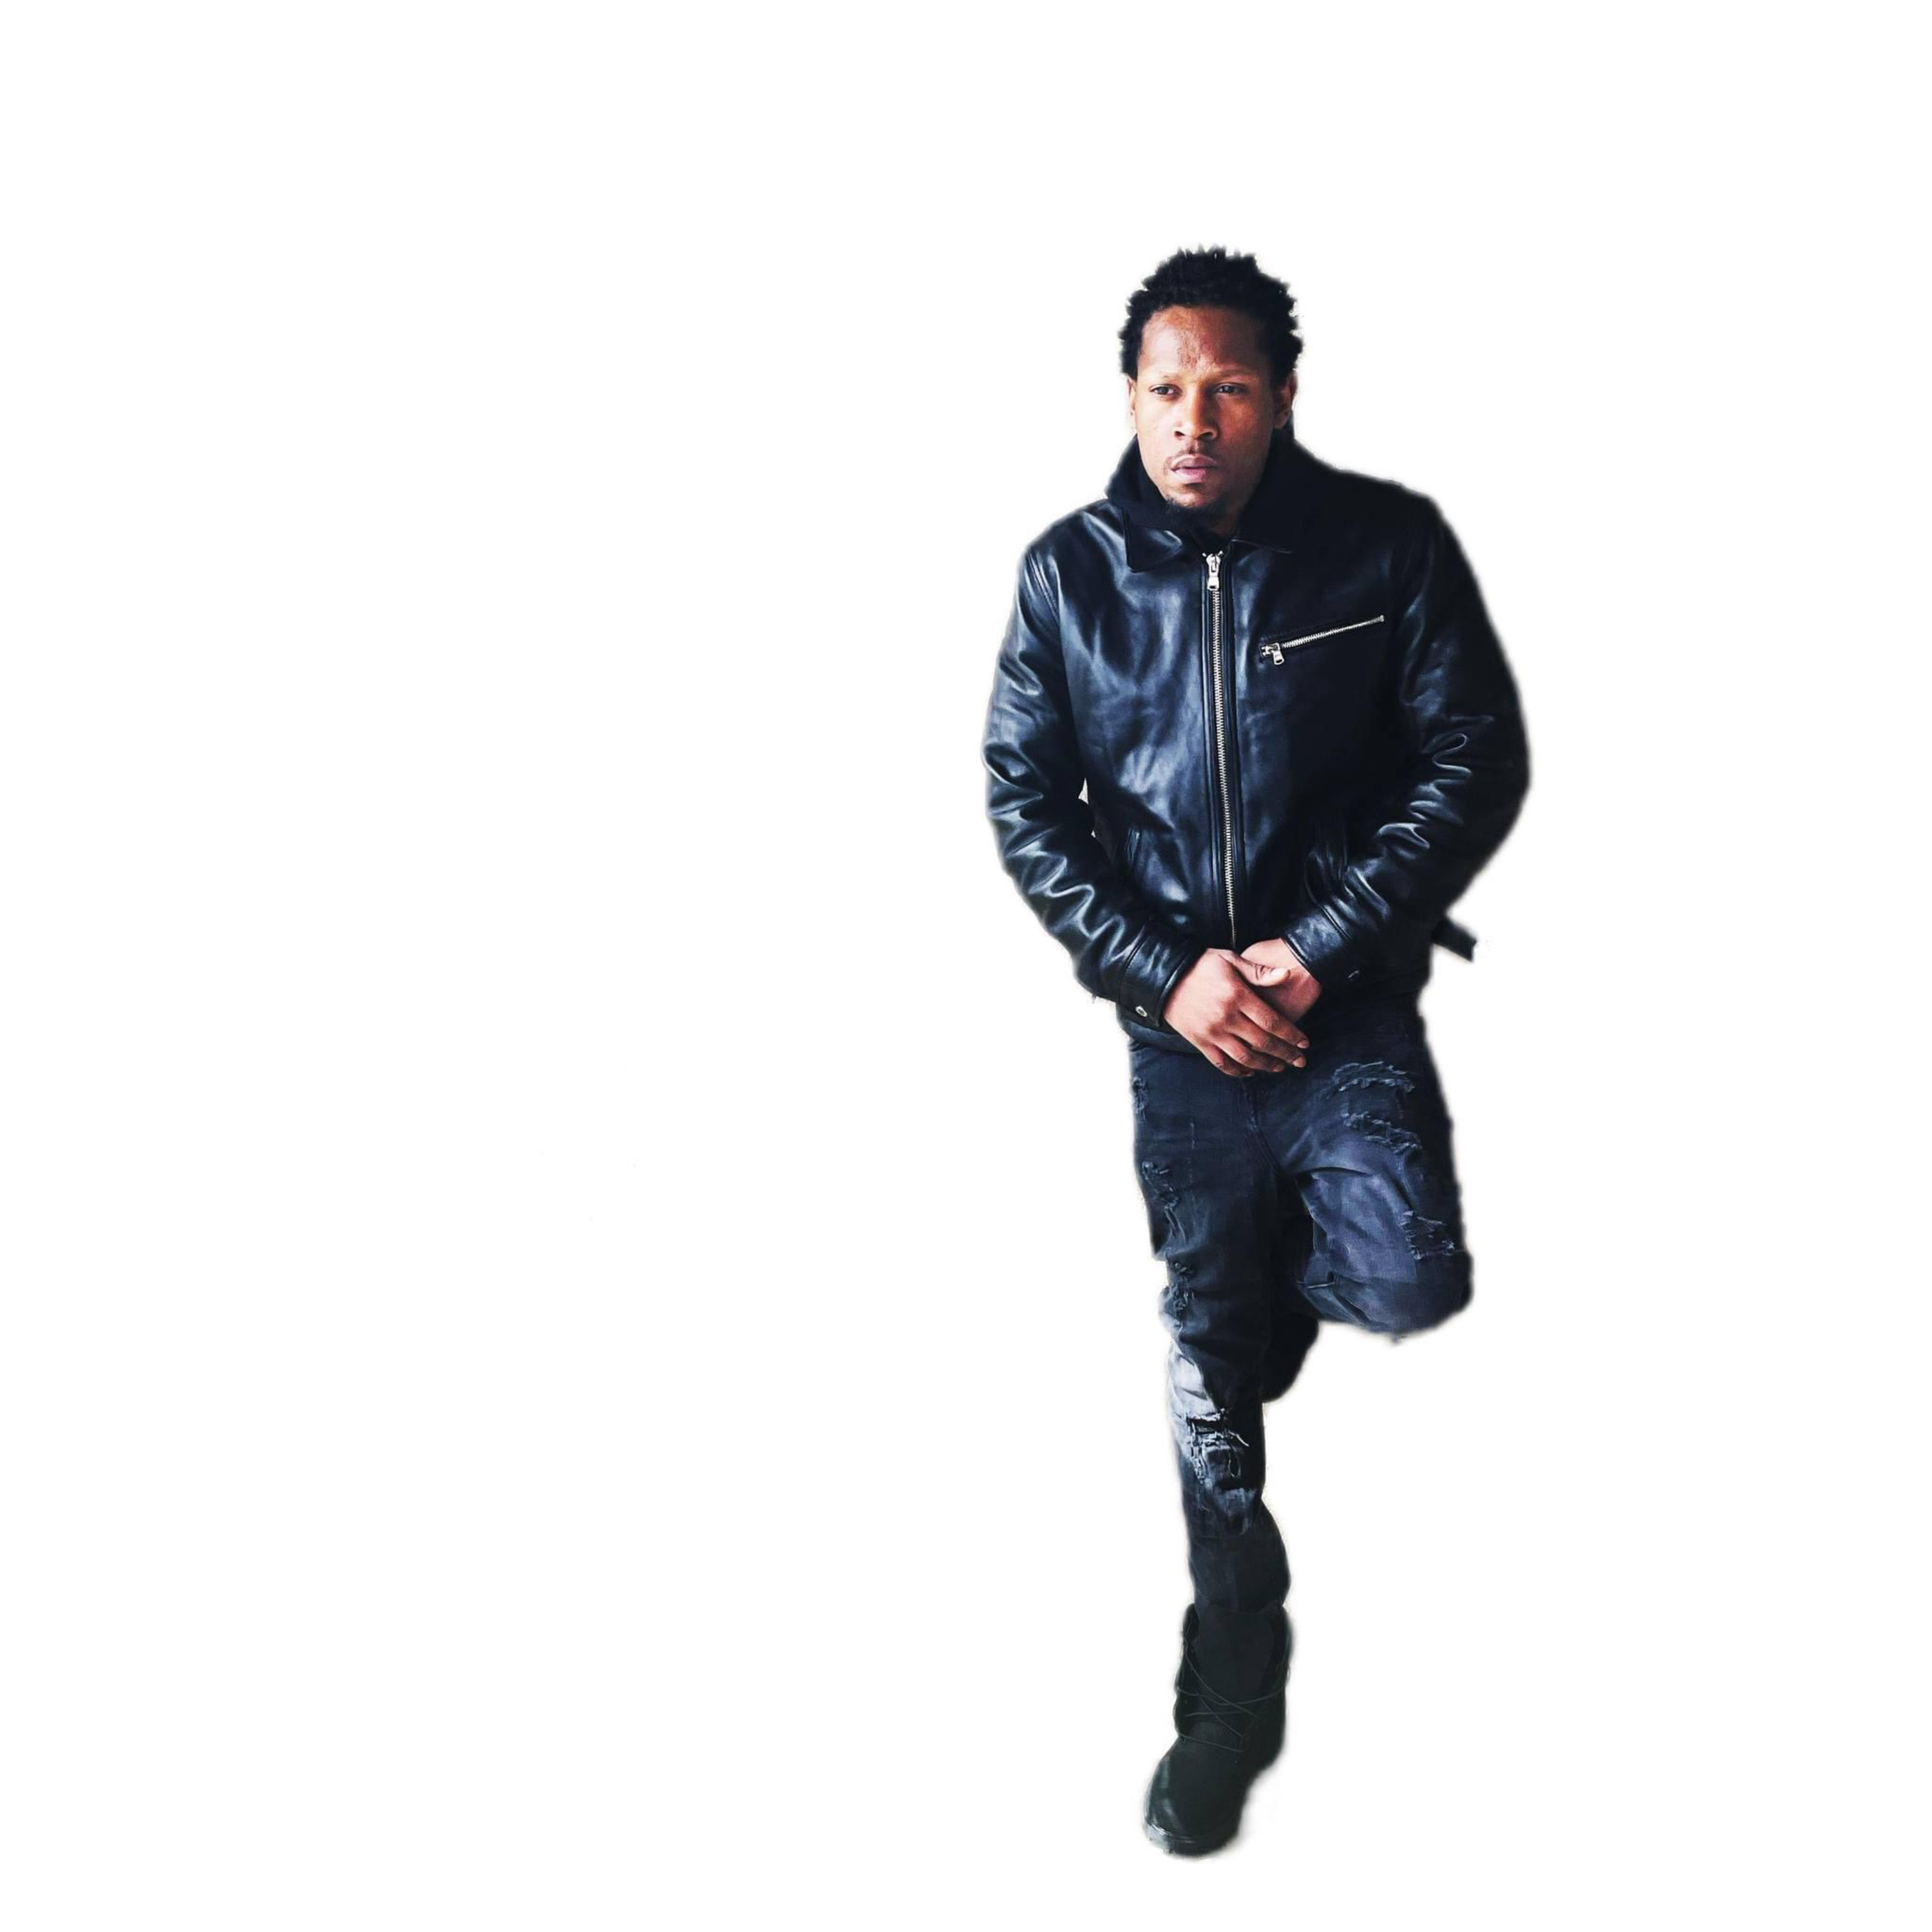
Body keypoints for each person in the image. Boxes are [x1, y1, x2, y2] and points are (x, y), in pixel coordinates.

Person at [980, 246, 1531, 1856]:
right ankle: (1230, 1681)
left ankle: (1280, 1285)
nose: (1195, 419)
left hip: (1339, 1003)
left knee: (1413, 1282)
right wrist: (1170, 979)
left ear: (1284, 395)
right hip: (1182, 1038)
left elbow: (1473, 757)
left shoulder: (1384, 545)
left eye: (1227, 387)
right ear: (1128, 399)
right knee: (1212, 1386)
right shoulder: (1068, 577)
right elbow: (1026, 802)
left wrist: (1317, 945)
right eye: (1167, 389)